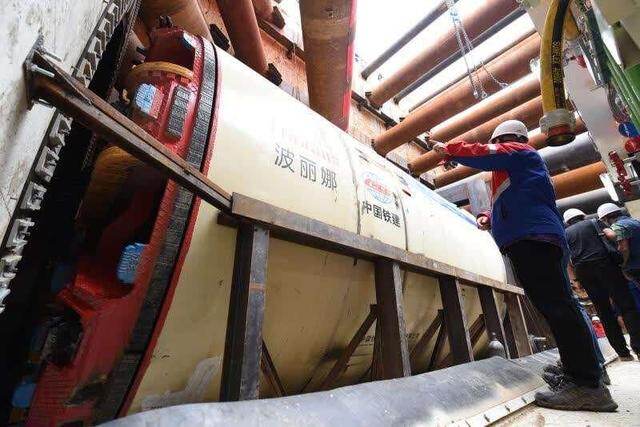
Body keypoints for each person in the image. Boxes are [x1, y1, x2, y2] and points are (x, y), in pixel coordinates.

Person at [433, 120, 617, 412]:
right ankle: (578, 372)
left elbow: (485, 152)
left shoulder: (519, 153)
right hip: (532, 238)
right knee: (557, 308)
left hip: (534, 239)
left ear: (506, 140)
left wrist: (450, 149)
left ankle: (587, 384)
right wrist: (489, 217)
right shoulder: (516, 171)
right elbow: (515, 200)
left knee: (559, 309)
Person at [563, 208, 640, 359]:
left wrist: (576, 280)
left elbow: (567, 261)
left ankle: (623, 353)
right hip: (606, 265)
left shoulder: (565, 234)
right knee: (626, 305)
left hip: (584, 271)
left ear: (567, 222)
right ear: (582, 216)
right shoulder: (594, 222)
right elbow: (612, 235)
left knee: (604, 312)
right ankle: (638, 347)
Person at [599, 203, 640, 285]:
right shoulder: (635, 221)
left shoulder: (617, 226)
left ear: (606, 218)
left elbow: (624, 248)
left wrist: (623, 264)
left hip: (635, 265)